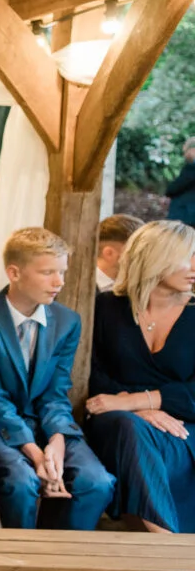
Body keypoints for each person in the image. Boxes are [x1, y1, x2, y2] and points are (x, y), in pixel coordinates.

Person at [0, 228, 114, 531]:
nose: (59, 282)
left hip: (45, 421)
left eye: (62, 272)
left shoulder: (67, 321)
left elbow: (56, 392)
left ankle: (56, 567)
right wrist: (36, 454)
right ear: (14, 272)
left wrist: (57, 441)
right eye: (48, 272)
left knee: (97, 483)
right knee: (21, 481)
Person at [85, 220, 195, 534]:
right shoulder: (105, 308)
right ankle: (165, 540)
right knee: (127, 426)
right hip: (115, 423)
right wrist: (137, 409)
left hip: (182, 427)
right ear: (155, 259)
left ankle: (158, 538)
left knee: (142, 436)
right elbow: (90, 375)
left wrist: (141, 400)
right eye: (188, 256)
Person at [96, 213, 145, 292]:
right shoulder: (78, 288)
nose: (145, 257)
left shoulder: (138, 288)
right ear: (109, 253)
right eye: (138, 251)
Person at [165, 137, 195, 226]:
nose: (185, 155)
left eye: (186, 151)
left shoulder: (192, 168)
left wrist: (168, 193)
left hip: (186, 214)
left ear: (193, 150)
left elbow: (177, 186)